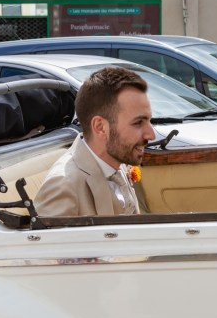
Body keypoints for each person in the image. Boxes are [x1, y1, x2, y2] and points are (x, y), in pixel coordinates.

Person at [35, 67, 155, 217]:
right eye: (137, 123)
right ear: (100, 127)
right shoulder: (63, 186)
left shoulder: (117, 161)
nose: (151, 135)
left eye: (149, 121)